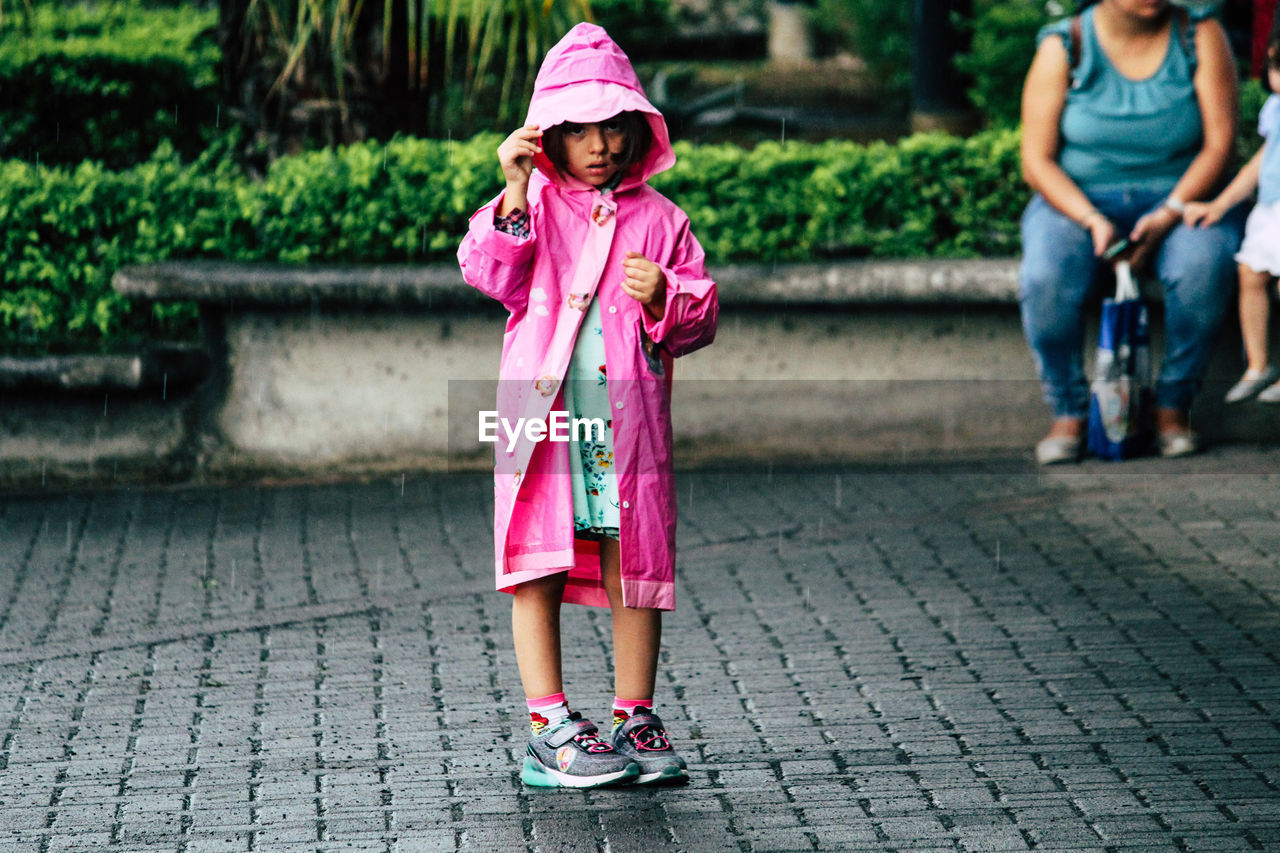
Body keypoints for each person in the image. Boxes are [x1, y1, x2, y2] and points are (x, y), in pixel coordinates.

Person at [457, 23, 717, 788]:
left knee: (631, 564)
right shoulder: (532, 204)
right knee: (535, 565)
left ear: (639, 129)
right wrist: (512, 185)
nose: (600, 144)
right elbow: (489, 272)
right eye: (578, 129)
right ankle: (550, 725)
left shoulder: (662, 220)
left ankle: (633, 712)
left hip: (624, 433)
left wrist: (667, 292)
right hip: (541, 425)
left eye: (613, 126)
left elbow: (700, 314)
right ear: (549, 137)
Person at [1018, 0, 1244, 464]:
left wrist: (1168, 214)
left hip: (1183, 197)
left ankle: (1172, 406)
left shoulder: (1199, 36)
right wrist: (1091, 220)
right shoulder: (1065, 44)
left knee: (1203, 267)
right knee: (1045, 278)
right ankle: (1069, 411)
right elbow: (1036, 161)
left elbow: (1220, 144)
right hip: (1077, 202)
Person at [1183, 29, 1280, 402]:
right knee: (1249, 274)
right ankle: (1258, 364)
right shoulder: (1274, 109)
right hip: (1270, 211)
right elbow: (1262, 163)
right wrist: (1219, 204)